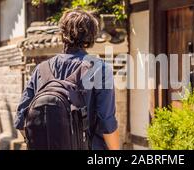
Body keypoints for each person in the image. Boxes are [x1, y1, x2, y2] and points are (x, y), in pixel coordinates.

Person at [14, 9, 120, 150]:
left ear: (61, 34)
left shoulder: (41, 69)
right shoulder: (100, 69)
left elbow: (21, 120)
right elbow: (107, 123)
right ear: (92, 36)